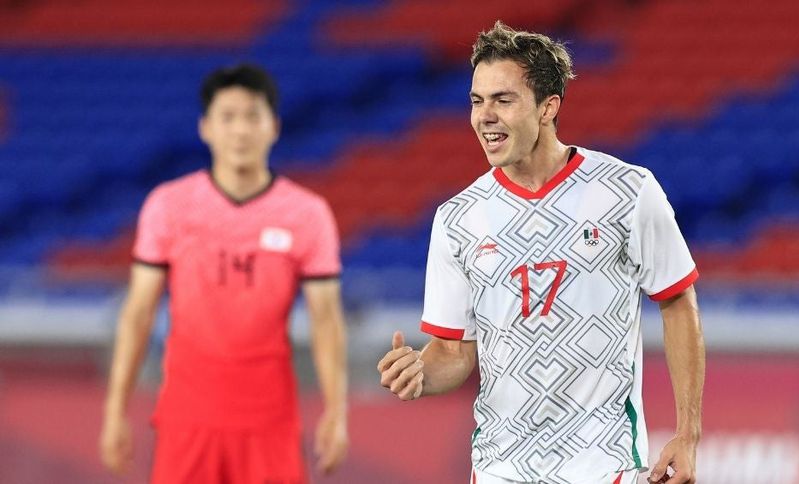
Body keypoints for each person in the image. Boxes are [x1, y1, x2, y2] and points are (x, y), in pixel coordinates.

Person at [378, 22, 704, 484]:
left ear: (548, 107)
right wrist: (419, 374)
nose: (485, 116)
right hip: (499, 468)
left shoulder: (626, 192)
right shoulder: (458, 218)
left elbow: (678, 302)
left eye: (503, 100)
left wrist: (687, 433)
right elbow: (453, 352)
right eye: (477, 101)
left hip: (602, 464)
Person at [99, 64, 348, 483]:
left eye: (253, 116)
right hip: (187, 418)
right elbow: (138, 312)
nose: (241, 130)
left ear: (274, 126)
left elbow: (326, 319)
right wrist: (115, 409)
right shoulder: (169, 206)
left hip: (270, 421)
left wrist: (336, 411)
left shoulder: (307, 214)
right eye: (227, 117)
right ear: (206, 127)